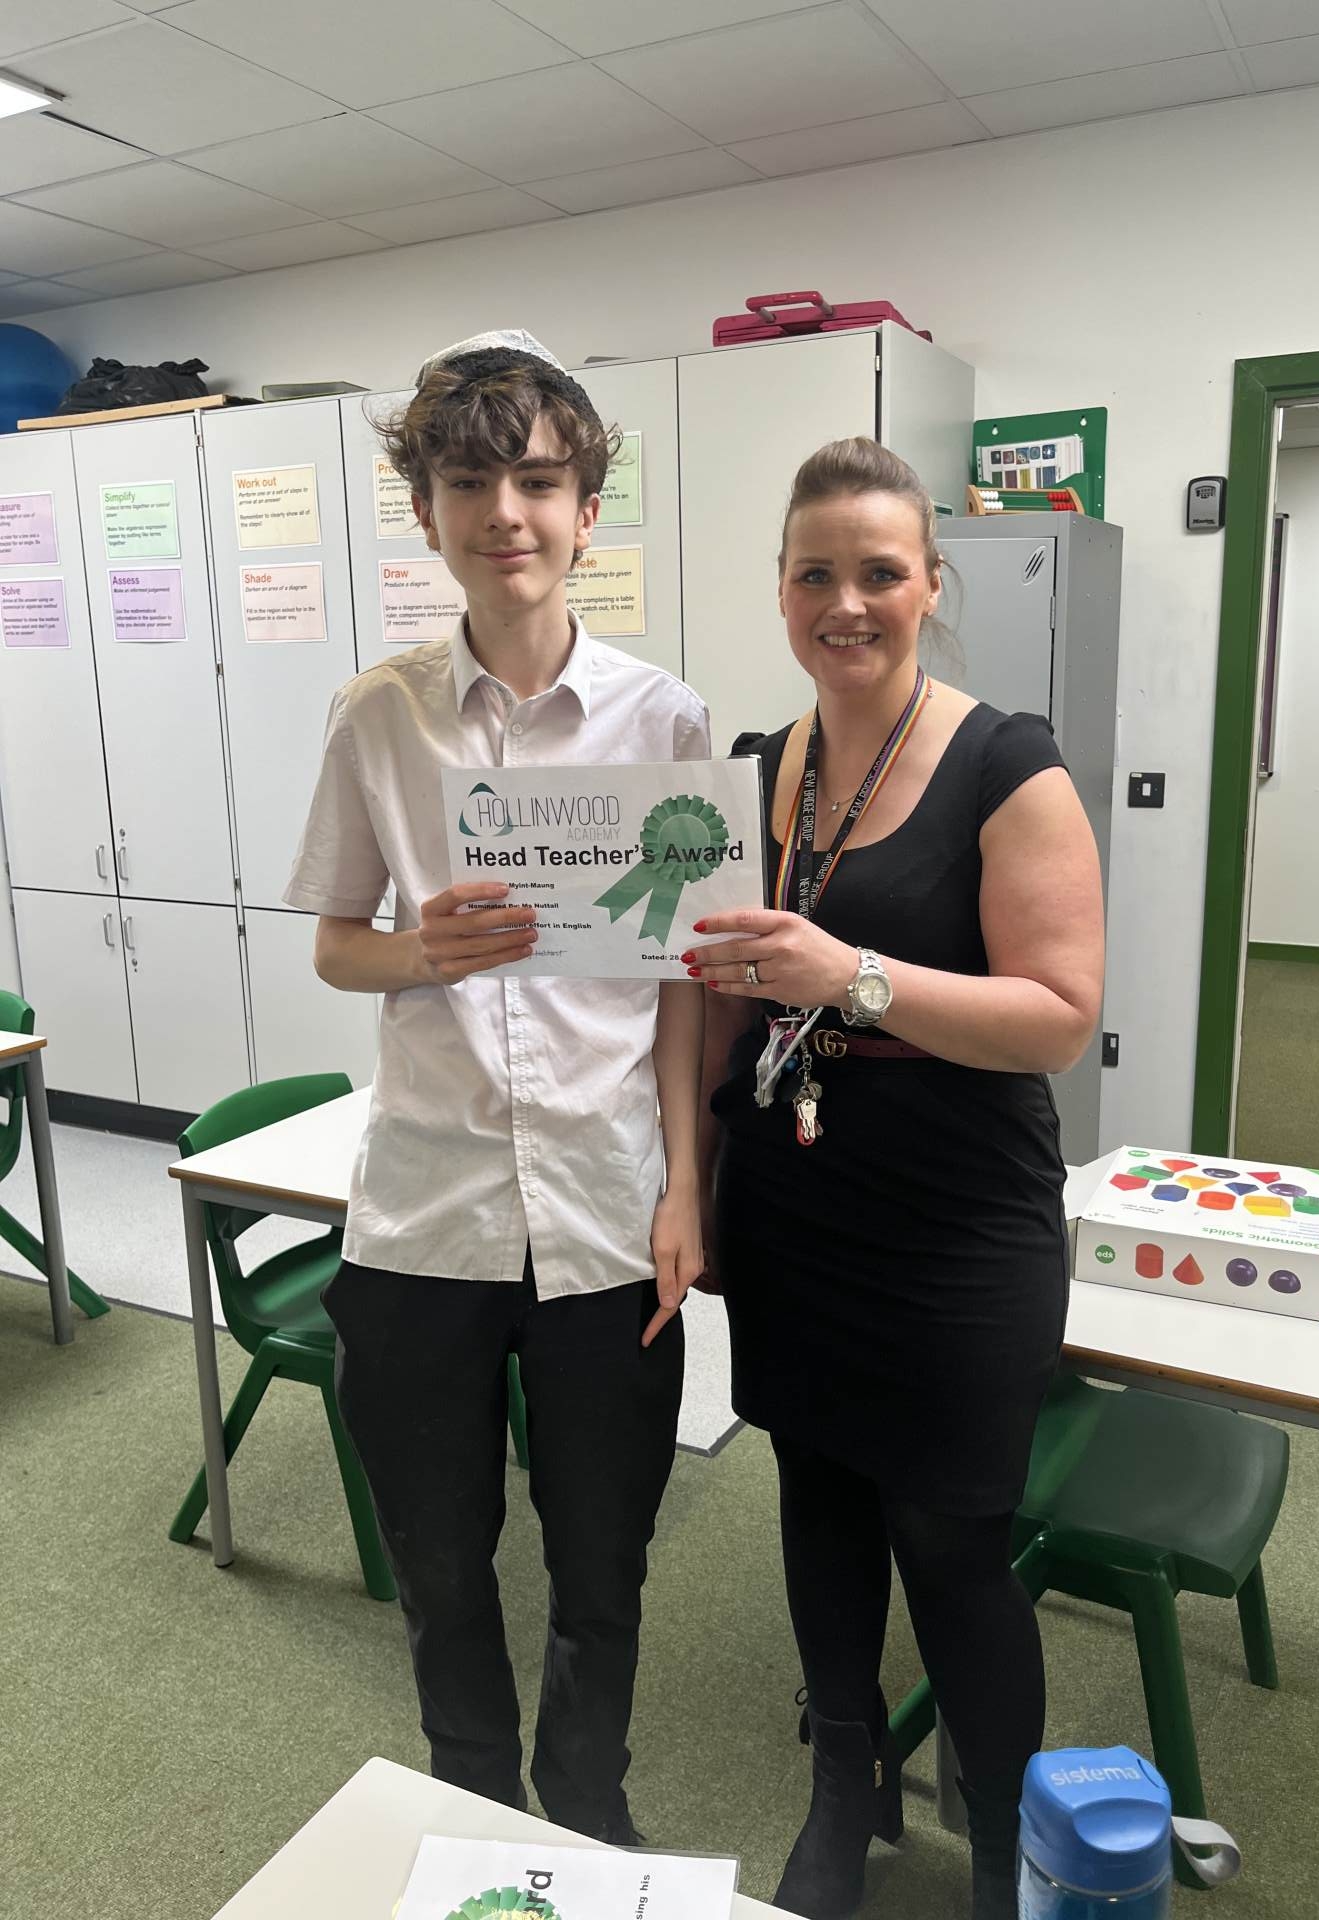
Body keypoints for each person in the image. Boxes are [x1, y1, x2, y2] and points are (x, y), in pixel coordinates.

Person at [283, 331, 708, 1842]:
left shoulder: (666, 721)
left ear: (588, 509)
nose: (505, 514)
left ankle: (586, 1808)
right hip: (427, 1217)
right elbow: (336, 943)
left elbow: (682, 986)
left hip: (605, 1211)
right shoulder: (378, 715)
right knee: (443, 1563)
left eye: (536, 481)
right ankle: (475, 1806)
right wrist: (423, 953)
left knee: (603, 1561)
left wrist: (688, 1190)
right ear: (427, 511)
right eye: (469, 483)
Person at [690, 438, 1105, 1919]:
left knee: (951, 1542)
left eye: (879, 572)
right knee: (817, 1500)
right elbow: (716, 1003)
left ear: (932, 583)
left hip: (956, 1223)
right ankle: (842, 1789)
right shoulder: (754, 772)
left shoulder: (1007, 765)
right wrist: (694, 1187)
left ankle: (1000, 1850)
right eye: (817, 574)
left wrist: (849, 974)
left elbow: (1056, 1018)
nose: (847, 602)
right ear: (781, 592)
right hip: (795, 1202)